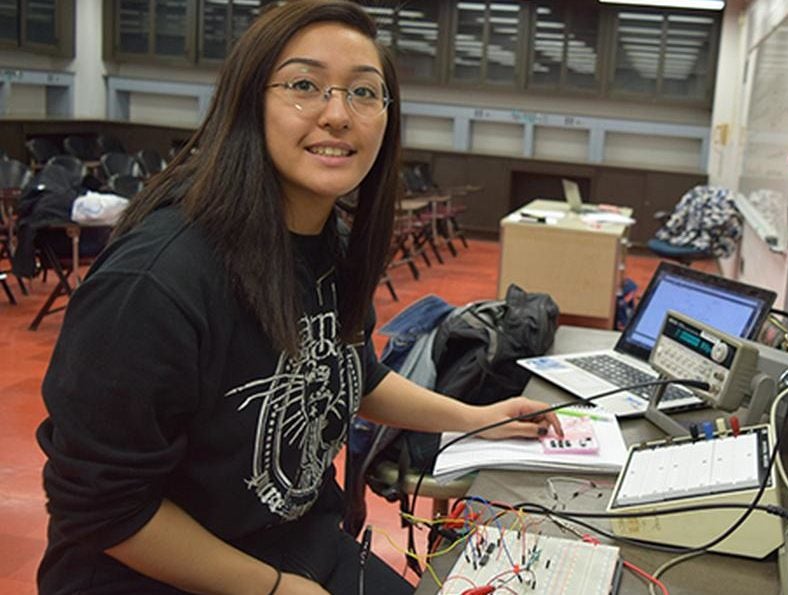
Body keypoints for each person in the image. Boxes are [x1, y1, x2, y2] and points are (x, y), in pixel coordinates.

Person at [35, 2, 560, 593]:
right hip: (165, 578)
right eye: (304, 85)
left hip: (299, 549)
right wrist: (274, 588)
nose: (338, 115)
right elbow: (102, 510)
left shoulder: (329, 244)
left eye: (365, 92)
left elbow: (350, 373)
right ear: (248, 101)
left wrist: (473, 419)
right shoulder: (155, 281)